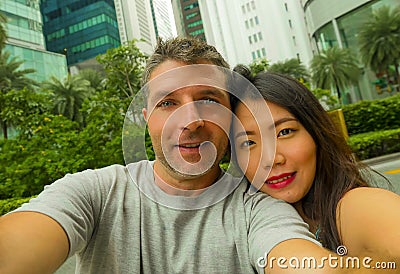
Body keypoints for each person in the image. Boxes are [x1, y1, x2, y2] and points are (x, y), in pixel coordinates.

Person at [0, 37, 382, 274]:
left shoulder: (256, 208)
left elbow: (295, 259)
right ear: (146, 118)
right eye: (168, 103)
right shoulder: (96, 192)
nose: (191, 120)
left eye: (207, 100)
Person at [232, 65, 400, 266]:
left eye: (284, 132)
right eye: (248, 143)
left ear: (315, 133)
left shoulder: (357, 205)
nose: (271, 159)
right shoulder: (247, 224)